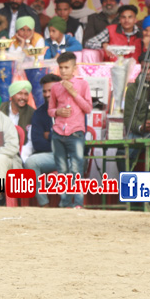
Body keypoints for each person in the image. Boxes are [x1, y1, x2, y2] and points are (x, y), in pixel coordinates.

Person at [48, 52, 91, 208]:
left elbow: (88, 108)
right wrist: (58, 112)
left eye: (67, 67)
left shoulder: (83, 85)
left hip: (75, 132)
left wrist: (74, 93)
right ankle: (65, 203)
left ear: (74, 68)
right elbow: (50, 110)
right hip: (58, 132)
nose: (63, 71)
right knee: (62, 170)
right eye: (61, 67)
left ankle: (78, 203)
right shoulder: (55, 88)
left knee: (76, 169)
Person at [24, 74, 61, 204]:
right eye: (44, 91)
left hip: (71, 155)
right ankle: (44, 204)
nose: (47, 94)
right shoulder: (39, 113)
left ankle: (69, 205)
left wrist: (50, 136)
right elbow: (38, 143)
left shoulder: (72, 109)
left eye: (50, 91)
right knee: (30, 162)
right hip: (51, 156)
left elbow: (77, 139)